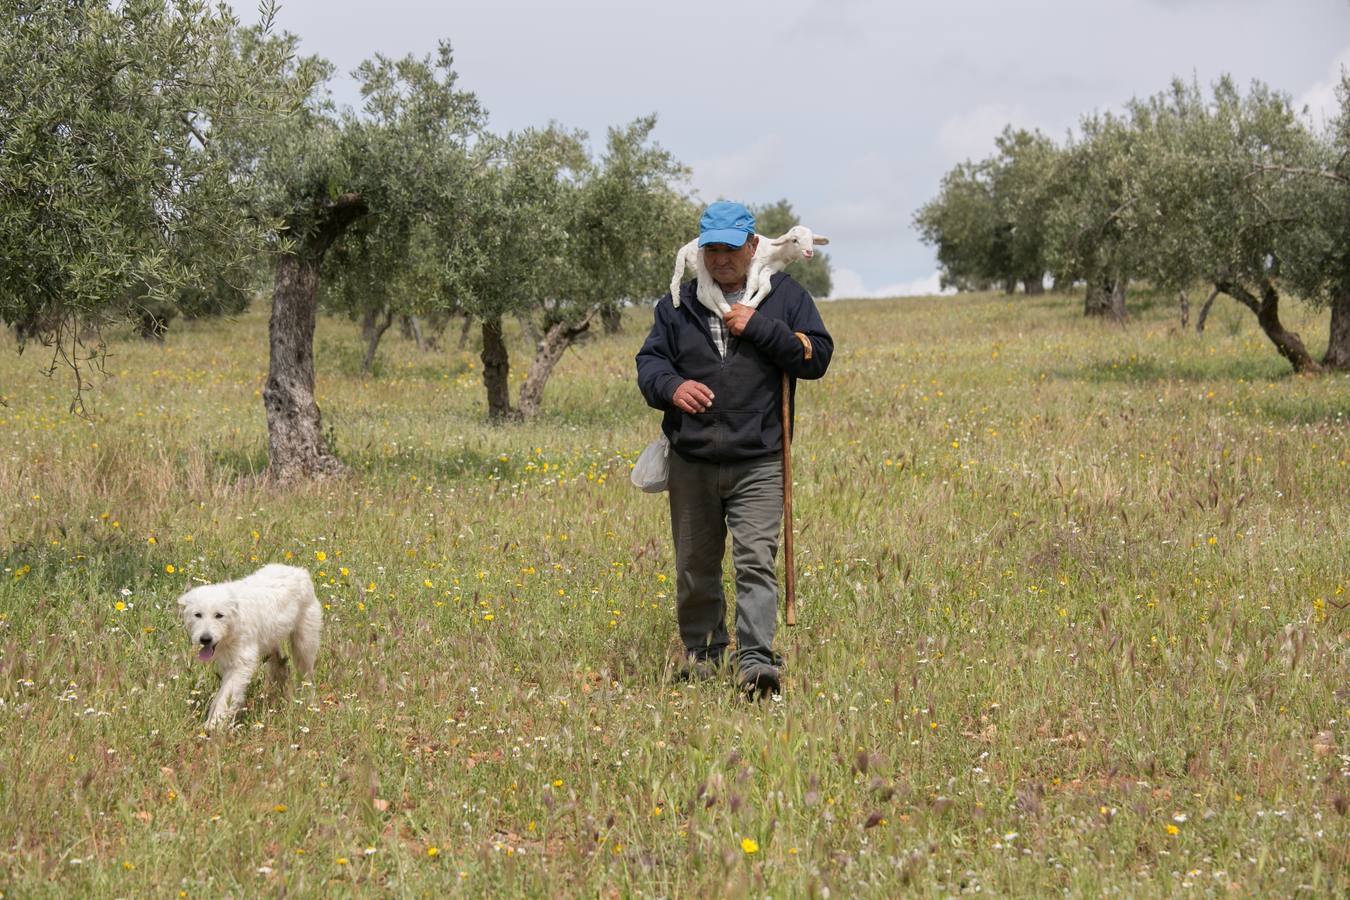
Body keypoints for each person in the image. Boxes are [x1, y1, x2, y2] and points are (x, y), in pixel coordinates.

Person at [636, 201, 833, 698]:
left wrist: (760, 328)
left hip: (760, 458)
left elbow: (818, 356)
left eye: (731, 248)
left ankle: (754, 660)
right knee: (694, 564)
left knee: (754, 561)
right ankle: (702, 654)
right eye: (712, 249)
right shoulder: (677, 304)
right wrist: (672, 387)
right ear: (701, 251)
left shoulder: (786, 297)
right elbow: (649, 364)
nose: (722, 258)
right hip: (692, 459)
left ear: (753, 246)